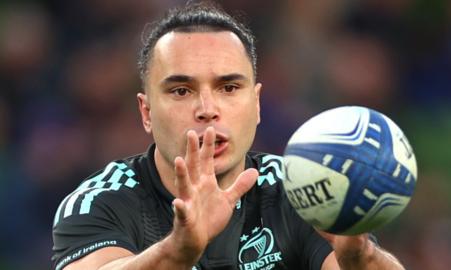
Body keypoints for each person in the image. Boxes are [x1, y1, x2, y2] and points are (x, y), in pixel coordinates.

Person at [52, 2, 406, 270]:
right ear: (146, 112)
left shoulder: (299, 189)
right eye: (181, 91)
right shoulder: (100, 201)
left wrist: (361, 255)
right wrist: (178, 250)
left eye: (229, 87)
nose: (207, 108)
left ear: (256, 104)